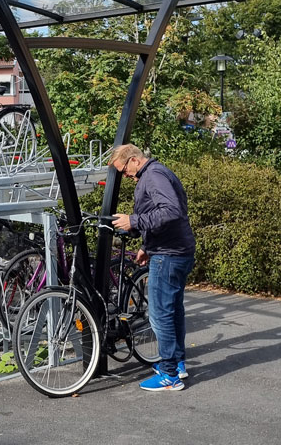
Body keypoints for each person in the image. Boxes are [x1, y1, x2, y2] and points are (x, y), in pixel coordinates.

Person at [109, 143, 195, 392]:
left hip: (168, 255)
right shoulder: (156, 172)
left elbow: (171, 211)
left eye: (123, 170)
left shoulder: (153, 176)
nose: (125, 176)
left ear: (134, 160)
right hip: (175, 251)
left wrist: (133, 220)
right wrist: (147, 246)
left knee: (161, 315)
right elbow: (164, 216)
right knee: (174, 311)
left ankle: (169, 375)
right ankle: (177, 365)